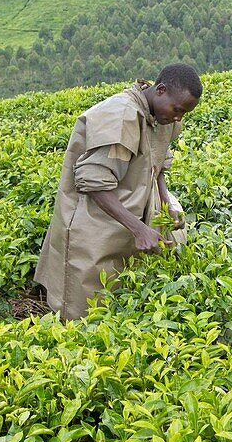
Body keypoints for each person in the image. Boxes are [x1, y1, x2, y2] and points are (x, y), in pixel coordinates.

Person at [34, 64, 202, 320]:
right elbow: (93, 183)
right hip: (96, 217)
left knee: (126, 296)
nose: (179, 118)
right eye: (178, 110)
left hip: (131, 210)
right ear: (161, 90)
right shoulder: (121, 118)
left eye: (184, 113)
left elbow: (157, 166)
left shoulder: (164, 116)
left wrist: (166, 201)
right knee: (86, 306)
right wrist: (138, 228)